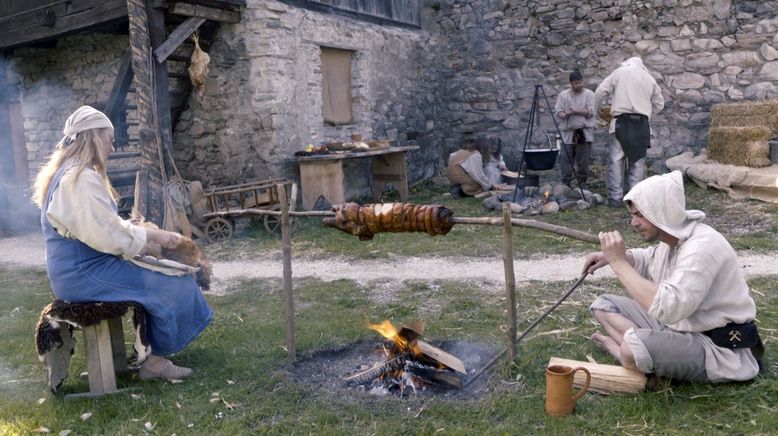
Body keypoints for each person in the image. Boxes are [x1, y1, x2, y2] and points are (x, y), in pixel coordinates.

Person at [32, 106, 212, 381]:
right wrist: (156, 236)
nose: (112, 148)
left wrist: (150, 239)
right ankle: (155, 363)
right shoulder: (77, 180)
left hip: (83, 270)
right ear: (92, 138)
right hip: (85, 274)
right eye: (109, 140)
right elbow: (108, 236)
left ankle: (153, 352)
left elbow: (104, 228)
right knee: (172, 282)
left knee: (165, 272)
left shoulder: (69, 174)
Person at [583, 171, 763, 383]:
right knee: (603, 306)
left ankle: (625, 354)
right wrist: (618, 257)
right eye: (633, 215)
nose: (633, 223)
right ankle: (645, 355)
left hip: (715, 346)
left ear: (662, 212)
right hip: (680, 327)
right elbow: (649, 259)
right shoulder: (671, 241)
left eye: (640, 215)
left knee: (632, 347)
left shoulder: (702, 248)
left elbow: (668, 307)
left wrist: (619, 263)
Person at [594, 56, 664, 207]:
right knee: (637, 163)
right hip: (641, 125)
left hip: (620, 123)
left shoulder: (619, 73)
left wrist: (594, 111)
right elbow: (660, 104)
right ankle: (634, 201)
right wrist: (647, 113)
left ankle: (615, 199)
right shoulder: (649, 78)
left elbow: (600, 92)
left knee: (616, 161)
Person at [554, 70, 595, 189]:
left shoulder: (589, 94)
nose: (578, 85)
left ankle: (581, 183)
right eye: (576, 83)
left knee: (582, 161)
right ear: (571, 83)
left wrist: (575, 111)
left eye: (580, 82)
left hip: (582, 131)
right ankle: (565, 184)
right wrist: (565, 115)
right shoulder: (563, 95)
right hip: (568, 132)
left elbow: (590, 111)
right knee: (566, 159)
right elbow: (558, 111)